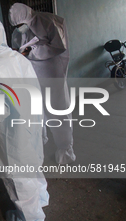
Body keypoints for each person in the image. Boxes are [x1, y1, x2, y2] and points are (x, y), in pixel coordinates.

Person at [0, 9, 49, 221]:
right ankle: (42, 199)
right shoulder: (17, 57)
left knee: (17, 176)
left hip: (12, 135)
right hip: (31, 123)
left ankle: (31, 220)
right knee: (34, 164)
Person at [9, 3, 76, 164]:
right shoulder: (18, 31)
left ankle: (65, 149)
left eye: (20, 24)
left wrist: (31, 51)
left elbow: (60, 46)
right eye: (16, 26)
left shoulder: (49, 22)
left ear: (27, 17)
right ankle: (41, 142)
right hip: (33, 75)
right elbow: (16, 48)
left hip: (53, 74)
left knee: (59, 110)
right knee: (36, 111)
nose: (19, 28)